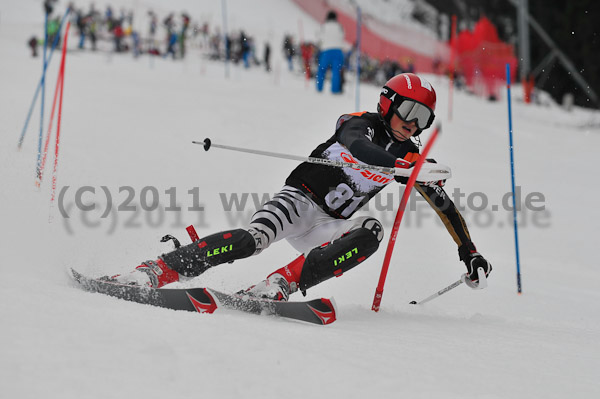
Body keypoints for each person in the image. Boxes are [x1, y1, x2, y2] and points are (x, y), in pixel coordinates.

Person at [111, 73, 492, 301]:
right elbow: (360, 149)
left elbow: (443, 204)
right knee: (251, 241)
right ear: (387, 104)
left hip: (329, 226)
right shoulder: (360, 123)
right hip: (298, 201)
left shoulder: (410, 153)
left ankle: (280, 284)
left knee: (371, 229)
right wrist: (402, 166)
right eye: (409, 111)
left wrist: (469, 252)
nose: (414, 123)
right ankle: (156, 270)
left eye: (424, 117)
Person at [316, 10, 346, 94]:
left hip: (326, 50)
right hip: (338, 50)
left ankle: (319, 88)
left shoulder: (324, 26)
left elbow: (319, 38)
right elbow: (342, 36)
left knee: (322, 70)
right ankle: (335, 90)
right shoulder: (339, 26)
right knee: (336, 71)